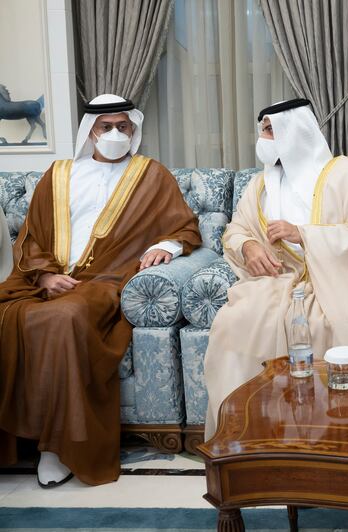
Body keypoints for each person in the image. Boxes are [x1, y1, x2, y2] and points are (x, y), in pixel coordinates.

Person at [0, 94, 202, 488]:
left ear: (133, 130)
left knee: (63, 317)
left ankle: (58, 447)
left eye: (122, 127)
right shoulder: (58, 175)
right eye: (105, 127)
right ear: (89, 131)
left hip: (106, 280)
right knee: (12, 315)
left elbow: (185, 228)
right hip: (46, 279)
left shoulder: (150, 175)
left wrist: (166, 246)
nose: (114, 134)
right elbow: (30, 238)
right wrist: (43, 277)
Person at [204, 98, 348, 438]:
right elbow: (236, 229)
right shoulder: (261, 185)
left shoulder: (345, 173)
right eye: (262, 130)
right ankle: (249, 436)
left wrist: (303, 234)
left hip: (338, 283)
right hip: (278, 281)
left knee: (332, 326)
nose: (264, 137)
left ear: (295, 129)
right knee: (236, 321)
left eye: (272, 129)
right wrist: (249, 246)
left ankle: (331, 438)